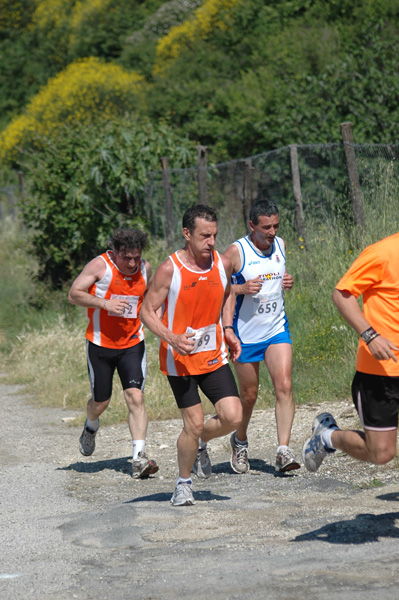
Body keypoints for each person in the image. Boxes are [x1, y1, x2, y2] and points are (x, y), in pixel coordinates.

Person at [140, 204, 242, 506]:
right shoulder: (170, 269)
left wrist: (227, 328)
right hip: (180, 359)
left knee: (232, 416)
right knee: (193, 422)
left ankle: (199, 444)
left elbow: (229, 294)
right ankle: (183, 484)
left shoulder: (222, 264)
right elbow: (147, 311)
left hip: (212, 353)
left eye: (214, 235)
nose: (211, 242)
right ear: (187, 234)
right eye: (204, 236)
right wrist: (171, 338)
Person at [302, 232, 399, 472]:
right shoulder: (382, 252)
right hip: (381, 372)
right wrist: (370, 335)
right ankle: (327, 437)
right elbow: (342, 294)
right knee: (381, 453)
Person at [68, 228, 159, 479]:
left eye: (136, 257)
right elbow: (74, 294)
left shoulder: (145, 268)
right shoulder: (100, 266)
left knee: (135, 397)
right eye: (126, 258)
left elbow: (148, 297)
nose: (132, 263)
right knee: (101, 402)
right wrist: (104, 303)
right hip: (100, 344)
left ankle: (139, 458)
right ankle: (90, 425)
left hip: (132, 343)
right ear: (115, 252)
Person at [223, 200, 300, 474]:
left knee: (284, 385)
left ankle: (283, 450)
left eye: (276, 226)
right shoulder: (236, 252)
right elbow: (218, 289)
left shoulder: (282, 245)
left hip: (276, 328)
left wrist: (287, 280)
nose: (272, 232)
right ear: (252, 225)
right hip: (245, 334)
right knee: (249, 395)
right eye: (266, 227)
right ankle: (240, 440)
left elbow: (276, 277)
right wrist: (241, 288)